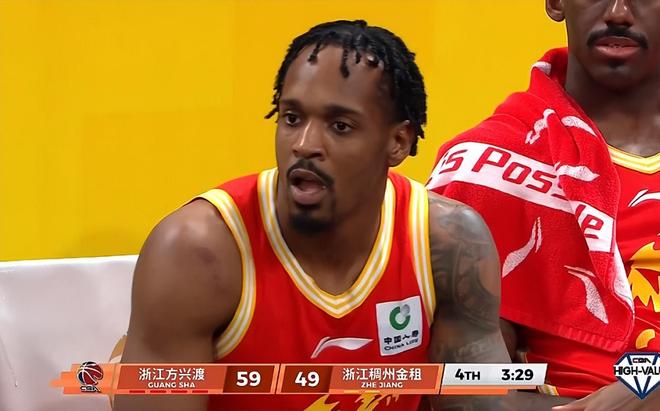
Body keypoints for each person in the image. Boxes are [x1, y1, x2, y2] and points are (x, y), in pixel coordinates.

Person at [113, 20, 516, 411]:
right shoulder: (196, 253)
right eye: (292, 118)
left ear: (398, 141)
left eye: (340, 126)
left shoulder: (447, 242)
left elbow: (482, 399)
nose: (304, 145)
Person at [427, 0, 659, 409]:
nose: (618, 12)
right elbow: (469, 395)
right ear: (555, 2)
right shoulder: (482, 170)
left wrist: (648, 392)